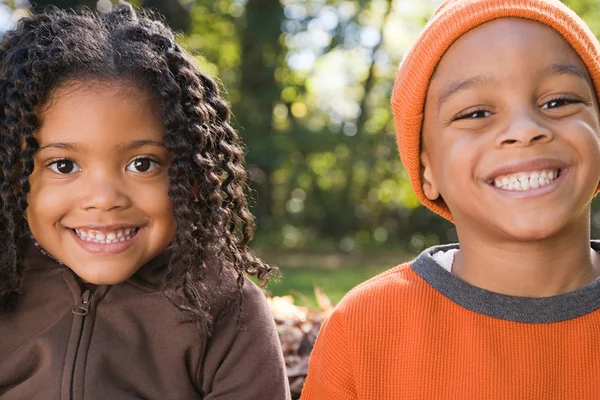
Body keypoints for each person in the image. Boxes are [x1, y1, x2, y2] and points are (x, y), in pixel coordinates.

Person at [301, 0, 600, 398]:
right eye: (475, 113)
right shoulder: (364, 328)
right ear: (426, 171)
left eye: (558, 102)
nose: (525, 129)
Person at [0, 3, 290, 399]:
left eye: (142, 163)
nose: (103, 199)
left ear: (190, 176)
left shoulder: (224, 308)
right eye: (64, 165)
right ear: (15, 178)